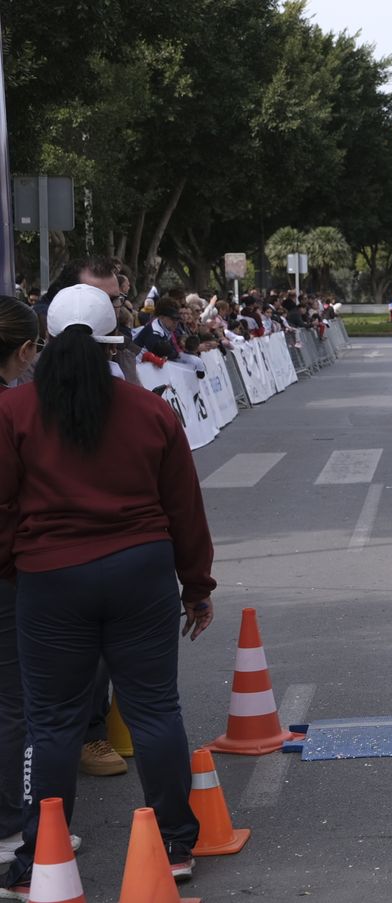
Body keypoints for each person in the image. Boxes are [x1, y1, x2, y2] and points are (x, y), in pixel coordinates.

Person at [0, 285, 214, 895]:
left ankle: (38, 859)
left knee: (53, 723)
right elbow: (185, 510)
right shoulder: (150, 410)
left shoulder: (13, 412)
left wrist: (18, 565)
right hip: (140, 574)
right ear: (111, 340)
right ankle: (175, 844)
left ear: (45, 337)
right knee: (154, 709)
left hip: (49, 580)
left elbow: (3, 505)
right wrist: (196, 586)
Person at [0, 297, 43, 866]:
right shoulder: (12, 411)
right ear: (27, 350)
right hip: (7, 576)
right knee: (13, 703)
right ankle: (11, 828)